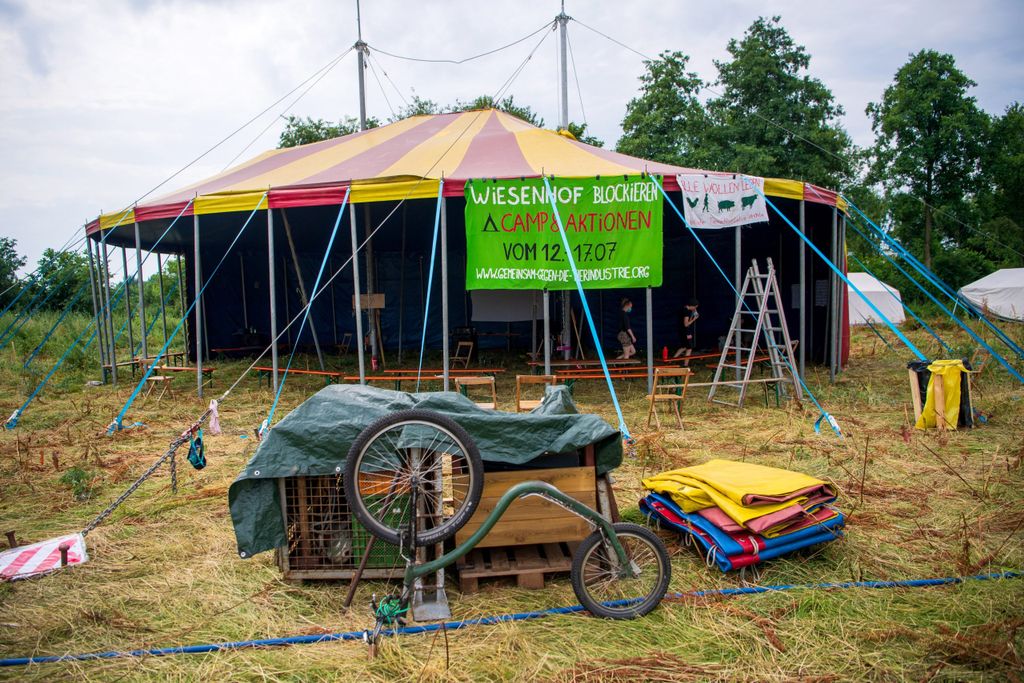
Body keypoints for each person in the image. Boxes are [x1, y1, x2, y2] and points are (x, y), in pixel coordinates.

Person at [673, 297, 700, 362]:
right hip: (685, 331)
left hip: (681, 330)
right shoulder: (686, 311)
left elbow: (687, 322)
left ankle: (672, 360)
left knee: (684, 347)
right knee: (689, 348)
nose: (695, 309)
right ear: (692, 306)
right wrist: (694, 319)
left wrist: (692, 317)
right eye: (695, 307)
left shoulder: (683, 309)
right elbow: (686, 324)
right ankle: (685, 364)